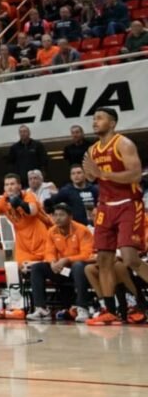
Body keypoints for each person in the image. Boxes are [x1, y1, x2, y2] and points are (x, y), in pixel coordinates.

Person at [82, 107, 146, 326]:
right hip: (105, 206)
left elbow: (135, 175)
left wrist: (102, 173)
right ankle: (110, 311)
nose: (95, 122)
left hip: (128, 203)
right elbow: (92, 178)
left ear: (112, 123)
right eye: (94, 118)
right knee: (103, 260)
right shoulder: (92, 150)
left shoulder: (123, 144)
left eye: (100, 118)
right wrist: (90, 173)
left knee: (130, 258)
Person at [0, 174, 49, 320]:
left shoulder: (28, 195)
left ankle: (41, 307)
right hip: (22, 241)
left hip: (39, 236)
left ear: (19, 186)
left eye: (12, 184)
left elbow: (32, 211)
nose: (9, 187)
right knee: (14, 268)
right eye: (7, 184)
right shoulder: (2, 202)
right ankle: (17, 305)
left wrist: (20, 203)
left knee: (38, 268)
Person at [27, 203, 94, 322]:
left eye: (61, 215)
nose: (57, 218)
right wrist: (52, 262)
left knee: (78, 265)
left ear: (70, 217)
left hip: (79, 271)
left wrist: (67, 260)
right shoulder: (51, 231)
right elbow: (49, 252)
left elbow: (87, 255)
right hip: (62, 270)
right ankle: (41, 309)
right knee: (37, 267)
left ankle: (82, 308)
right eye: (55, 215)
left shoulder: (82, 230)